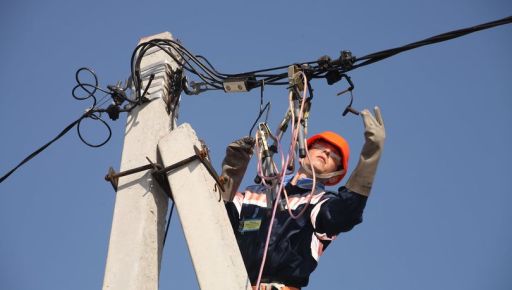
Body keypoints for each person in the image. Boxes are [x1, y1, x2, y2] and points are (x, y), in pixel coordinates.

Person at [220, 107, 386, 290]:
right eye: (320, 147)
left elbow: (346, 212)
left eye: (334, 156)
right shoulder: (254, 194)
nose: (326, 153)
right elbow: (217, 214)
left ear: (334, 176)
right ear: (302, 152)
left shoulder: (318, 202)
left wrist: (372, 153)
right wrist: (233, 170)